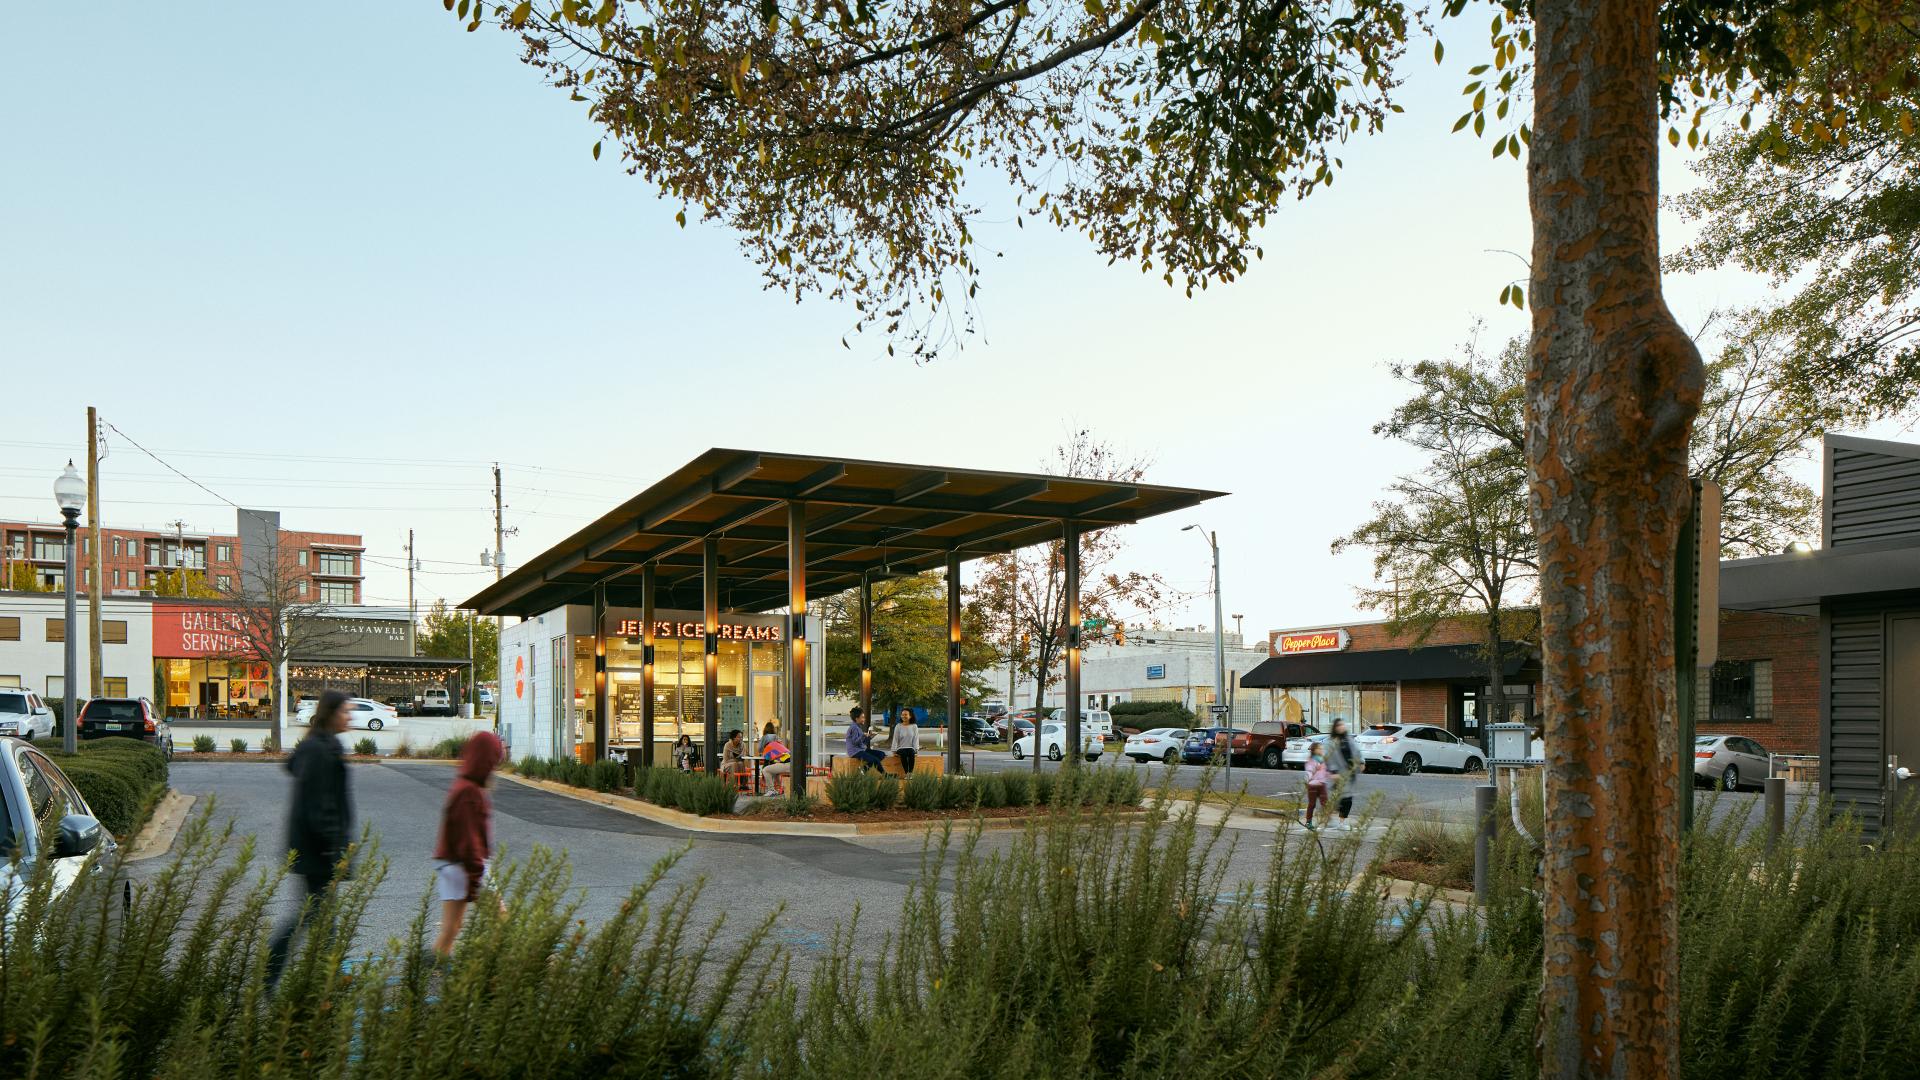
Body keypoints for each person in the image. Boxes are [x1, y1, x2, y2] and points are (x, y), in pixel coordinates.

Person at [266, 689, 355, 985]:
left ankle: (324, 978)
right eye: (346, 711)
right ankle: (277, 972)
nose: (350, 716)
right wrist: (335, 851)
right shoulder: (319, 750)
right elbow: (320, 807)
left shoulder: (325, 746)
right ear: (331, 714)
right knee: (314, 916)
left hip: (315, 849)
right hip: (317, 851)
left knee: (319, 917)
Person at [431, 730, 504, 959]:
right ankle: (512, 971)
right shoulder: (469, 792)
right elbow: (469, 842)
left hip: (451, 865)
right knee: (502, 923)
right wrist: (476, 880)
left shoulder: (464, 786)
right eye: (495, 760)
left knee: (451, 929)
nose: (496, 766)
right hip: (466, 866)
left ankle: (429, 972)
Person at [1323, 719, 1365, 831]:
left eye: (1343, 724)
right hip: (1337, 775)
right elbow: (1328, 758)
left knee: (1347, 800)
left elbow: (1357, 751)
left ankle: (1341, 823)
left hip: (1349, 774)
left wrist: (1361, 762)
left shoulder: (1349, 740)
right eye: (1339, 725)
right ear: (1335, 727)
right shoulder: (1330, 742)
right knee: (1335, 799)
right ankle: (1327, 819)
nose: (1342, 727)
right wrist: (1333, 772)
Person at [844, 707, 886, 772]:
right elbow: (855, 743)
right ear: (857, 718)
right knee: (874, 760)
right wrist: (863, 735)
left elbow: (863, 743)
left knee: (881, 754)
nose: (864, 719)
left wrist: (870, 737)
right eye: (862, 717)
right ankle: (885, 775)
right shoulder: (854, 728)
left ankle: (863, 769)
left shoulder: (858, 727)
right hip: (855, 752)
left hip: (861, 749)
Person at [1302, 741, 1332, 830]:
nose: (1322, 750)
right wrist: (1313, 773)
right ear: (1314, 750)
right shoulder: (1311, 761)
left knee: (1325, 803)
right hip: (1313, 785)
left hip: (1322, 784)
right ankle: (1308, 822)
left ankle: (1327, 820)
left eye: (1322, 748)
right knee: (1312, 804)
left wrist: (1330, 775)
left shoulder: (1322, 760)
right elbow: (1309, 773)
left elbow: (1325, 771)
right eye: (1320, 748)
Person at [889, 706, 921, 775]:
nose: (903, 716)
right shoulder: (898, 726)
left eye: (906, 714)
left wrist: (916, 750)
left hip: (910, 748)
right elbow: (895, 739)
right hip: (900, 748)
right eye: (902, 715)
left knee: (911, 753)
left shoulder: (914, 726)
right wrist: (893, 751)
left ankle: (910, 773)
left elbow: (916, 739)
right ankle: (907, 773)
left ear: (910, 716)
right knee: (904, 753)